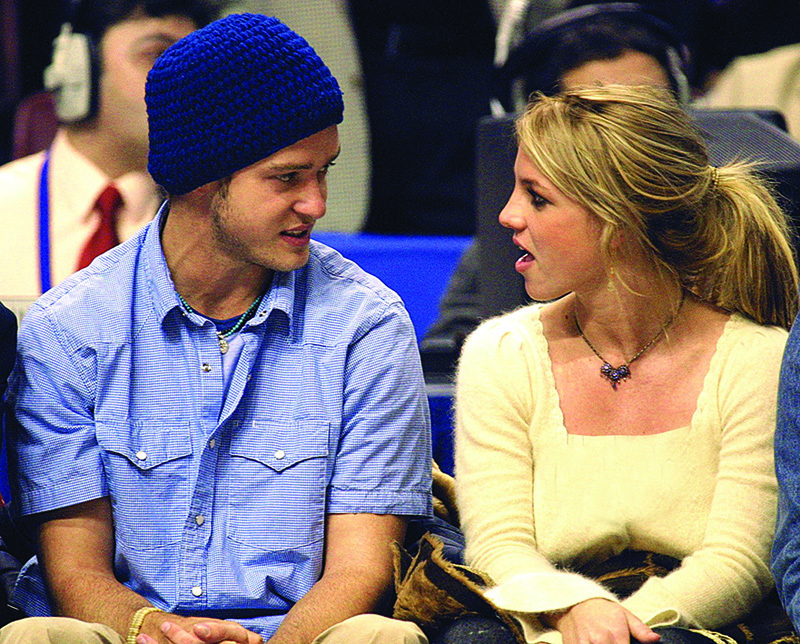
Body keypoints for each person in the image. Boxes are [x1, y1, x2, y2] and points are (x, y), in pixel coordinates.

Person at [0, 13, 432, 644]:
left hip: (301, 634)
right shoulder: (70, 328)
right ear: (204, 180)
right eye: (288, 177)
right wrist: (153, 628)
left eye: (325, 171)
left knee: (378, 638)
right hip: (128, 631)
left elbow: (360, 569)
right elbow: (74, 569)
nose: (316, 203)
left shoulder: (366, 324)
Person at [350, 84, 800, 643]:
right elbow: (499, 544)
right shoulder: (501, 353)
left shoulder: (758, 358)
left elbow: (740, 560)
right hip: (539, 609)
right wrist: (573, 612)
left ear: (619, 220)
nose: (508, 215)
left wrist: (620, 627)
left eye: (537, 197)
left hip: (686, 625)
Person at [422, 2, 692, 355]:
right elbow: (447, 356)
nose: (625, 135)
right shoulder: (510, 247)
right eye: (595, 117)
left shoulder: (734, 242)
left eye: (646, 110)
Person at [0, 0, 220, 300]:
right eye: (156, 55)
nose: (188, 85)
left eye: (197, 65)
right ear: (77, 69)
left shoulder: (218, 225)